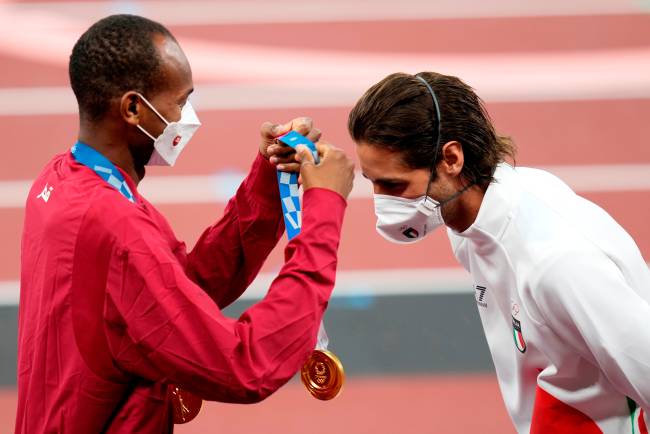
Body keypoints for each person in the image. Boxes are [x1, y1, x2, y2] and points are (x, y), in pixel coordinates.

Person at [16, 14, 354, 433]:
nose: (187, 115)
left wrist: (266, 185)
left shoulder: (62, 182)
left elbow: (175, 291)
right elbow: (245, 365)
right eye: (180, 100)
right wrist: (324, 207)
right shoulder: (118, 227)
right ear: (134, 107)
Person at [348, 71, 650, 433]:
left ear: (452, 159)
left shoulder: (556, 264)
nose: (382, 202)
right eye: (374, 182)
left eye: (394, 184)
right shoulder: (467, 222)